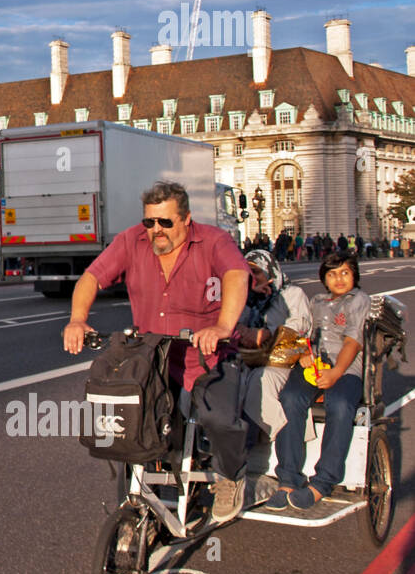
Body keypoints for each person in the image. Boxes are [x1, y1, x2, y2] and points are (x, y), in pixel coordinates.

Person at [63, 181, 250, 522]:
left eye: (165, 222)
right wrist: (78, 320)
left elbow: (237, 274)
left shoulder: (213, 241)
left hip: (207, 357)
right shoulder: (132, 241)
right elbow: (91, 277)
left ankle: (231, 476)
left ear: (186, 219)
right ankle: (138, 509)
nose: (156, 230)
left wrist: (222, 327)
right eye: (150, 222)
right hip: (154, 359)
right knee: (133, 428)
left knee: (218, 419)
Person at [264, 252, 369, 511]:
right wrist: (301, 354)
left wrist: (335, 373)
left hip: (345, 369)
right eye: (332, 274)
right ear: (324, 279)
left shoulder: (359, 300)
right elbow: (305, 334)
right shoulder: (317, 301)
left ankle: (323, 481)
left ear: (354, 274)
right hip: (314, 365)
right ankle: (287, 478)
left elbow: (352, 341)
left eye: (344, 272)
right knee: (289, 398)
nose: (339, 279)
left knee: (340, 404)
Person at [234, 249, 311, 443]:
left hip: (284, 359)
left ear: (270, 271)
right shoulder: (245, 297)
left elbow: (299, 328)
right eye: (248, 273)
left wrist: (268, 333)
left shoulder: (292, 294)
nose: (253, 277)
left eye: (257, 272)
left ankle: (281, 436)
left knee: (260, 381)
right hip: (251, 358)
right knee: (231, 382)